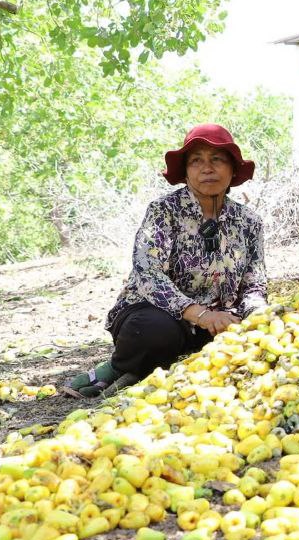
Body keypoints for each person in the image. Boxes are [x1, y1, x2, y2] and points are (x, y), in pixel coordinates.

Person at [61, 124, 267, 398]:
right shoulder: (164, 211)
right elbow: (149, 274)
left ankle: (146, 370)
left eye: (217, 159)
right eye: (196, 161)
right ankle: (119, 366)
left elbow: (254, 285)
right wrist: (200, 315)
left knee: (251, 333)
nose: (207, 168)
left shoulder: (249, 222)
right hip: (160, 314)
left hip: (217, 321)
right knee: (154, 332)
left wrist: (255, 317)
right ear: (186, 172)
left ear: (232, 169)